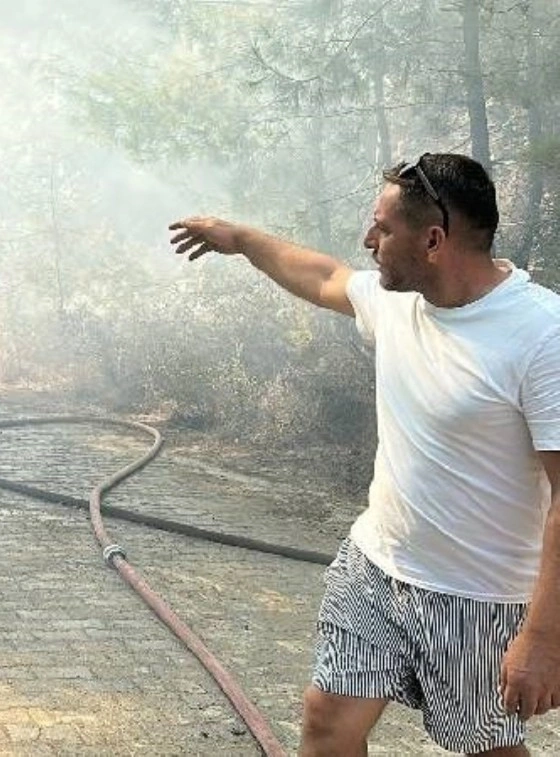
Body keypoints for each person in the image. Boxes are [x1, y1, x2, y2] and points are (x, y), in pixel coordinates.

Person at [169, 153, 560, 756]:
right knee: (327, 721)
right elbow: (323, 275)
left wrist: (544, 637)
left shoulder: (541, 335)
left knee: (486, 749)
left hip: (479, 596)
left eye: (382, 227)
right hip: (375, 566)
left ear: (432, 240)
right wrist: (242, 239)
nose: (367, 239)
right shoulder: (399, 301)